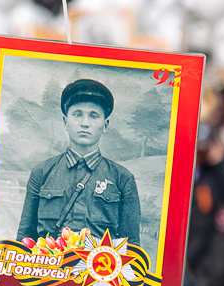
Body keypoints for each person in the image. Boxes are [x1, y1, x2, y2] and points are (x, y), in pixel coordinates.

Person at [15, 78, 142, 245]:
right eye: (77, 114)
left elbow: (131, 246)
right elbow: (24, 238)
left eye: (93, 116)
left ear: (105, 125)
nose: (84, 123)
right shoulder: (42, 173)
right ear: (65, 122)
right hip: (50, 269)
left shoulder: (122, 178)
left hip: (100, 268)